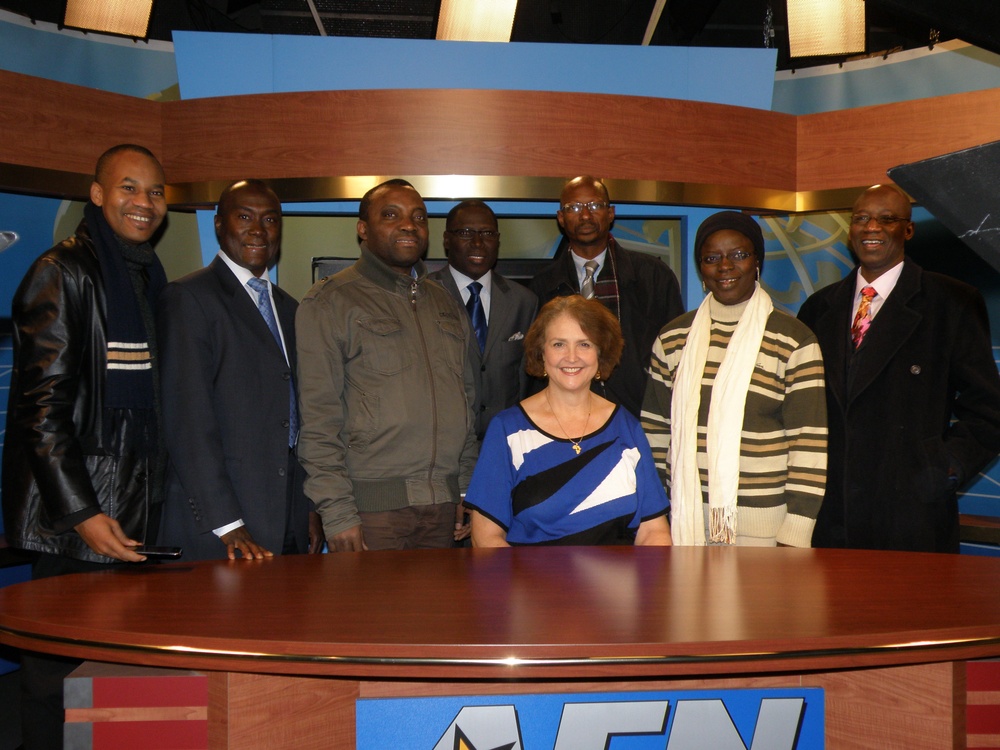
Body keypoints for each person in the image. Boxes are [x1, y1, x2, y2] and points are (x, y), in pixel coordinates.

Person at [1, 144, 168, 749]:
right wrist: (84, 514)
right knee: (54, 677)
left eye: (154, 192)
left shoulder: (145, 273)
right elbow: (39, 411)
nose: (142, 203)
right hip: (83, 516)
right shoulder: (62, 269)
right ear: (96, 194)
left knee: (113, 673)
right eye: (128, 188)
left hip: (133, 505)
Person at [798, 184, 1000, 552]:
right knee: (832, 611)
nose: (871, 227)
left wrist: (944, 466)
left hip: (910, 516)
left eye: (886, 219)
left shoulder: (952, 302)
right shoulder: (817, 308)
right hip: (829, 516)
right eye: (861, 218)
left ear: (907, 230)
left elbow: (989, 410)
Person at [296, 179, 479, 551]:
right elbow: (317, 420)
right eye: (391, 215)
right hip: (370, 514)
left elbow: (466, 402)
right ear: (363, 229)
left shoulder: (444, 302)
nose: (408, 225)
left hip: (442, 509)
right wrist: (337, 512)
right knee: (374, 612)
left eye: (418, 217)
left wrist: (465, 488)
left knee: (440, 612)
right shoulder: (330, 301)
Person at [157, 180, 322, 561]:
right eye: (244, 217)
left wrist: (308, 508)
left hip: (288, 521)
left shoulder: (290, 308)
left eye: (270, 219)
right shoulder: (188, 298)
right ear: (219, 225)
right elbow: (187, 421)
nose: (258, 230)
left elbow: (297, 419)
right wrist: (227, 523)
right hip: (224, 530)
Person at [642, 211, 827, 547]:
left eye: (739, 255)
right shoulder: (672, 339)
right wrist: (656, 518)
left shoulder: (793, 339)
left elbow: (809, 444)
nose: (725, 266)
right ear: (701, 268)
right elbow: (654, 433)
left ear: (757, 261)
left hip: (767, 531)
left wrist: (796, 532)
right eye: (712, 258)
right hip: (685, 522)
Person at [465, 295, 671, 546]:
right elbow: (486, 537)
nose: (571, 357)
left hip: (618, 583)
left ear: (600, 353)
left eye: (584, 344)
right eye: (559, 344)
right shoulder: (507, 430)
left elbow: (653, 532)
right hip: (531, 583)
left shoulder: (626, 428)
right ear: (541, 353)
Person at [429, 200, 537, 543]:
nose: (477, 242)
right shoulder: (423, 296)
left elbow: (528, 383)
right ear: (446, 240)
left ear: (498, 240)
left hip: (506, 460)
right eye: (465, 233)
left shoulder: (524, 301)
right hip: (439, 462)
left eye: (487, 234)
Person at [531, 176, 683, 418]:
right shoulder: (542, 284)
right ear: (561, 218)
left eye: (594, 206)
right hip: (563, 416)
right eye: (574, 208)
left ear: (610, 213)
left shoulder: (653, 276)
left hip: (638, 414)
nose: (585, 216)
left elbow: (678, 354)